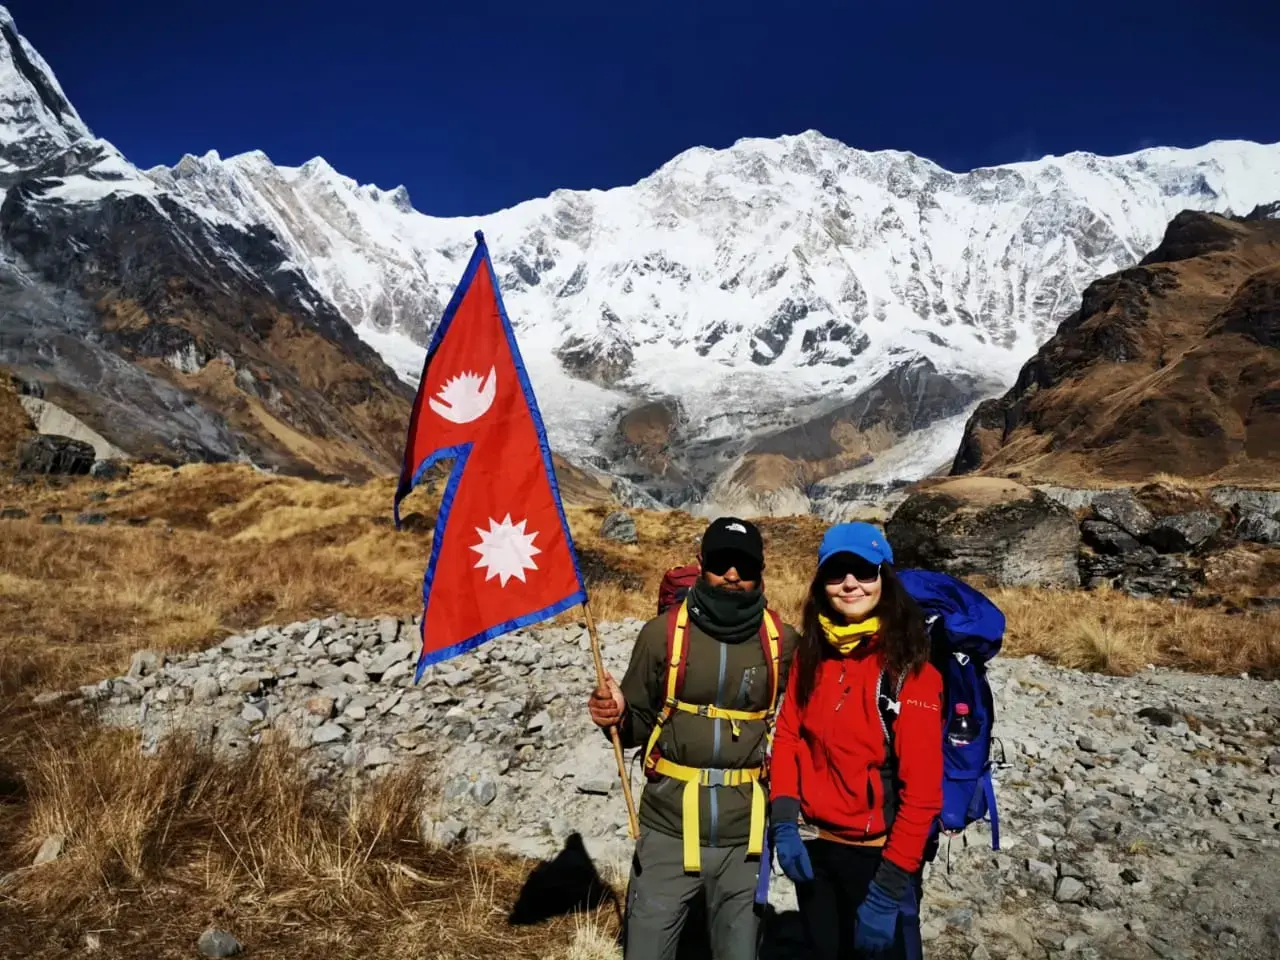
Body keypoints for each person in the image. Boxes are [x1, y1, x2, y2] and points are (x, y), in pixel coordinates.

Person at [588, 516, 800, 960]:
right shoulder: (661, 635)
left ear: (760, 571)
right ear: (702, 563)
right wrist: (617, 715)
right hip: (667, 829)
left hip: (746, 837)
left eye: (744, 566)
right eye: (722, 563)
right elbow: (638, 721)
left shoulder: (784, 642)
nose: (732, 575)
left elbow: (801, 729)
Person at [767, 522, 943, 960]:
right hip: (815, 845)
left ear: (885, 577)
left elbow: (922, 796)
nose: (849, 584)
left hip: (879, 856)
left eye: (863, 571)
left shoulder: (912, 672)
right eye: (836, 572)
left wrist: (886, 893)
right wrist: (785, 822)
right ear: (821, 582)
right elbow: (788, 738)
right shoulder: (811, 656)